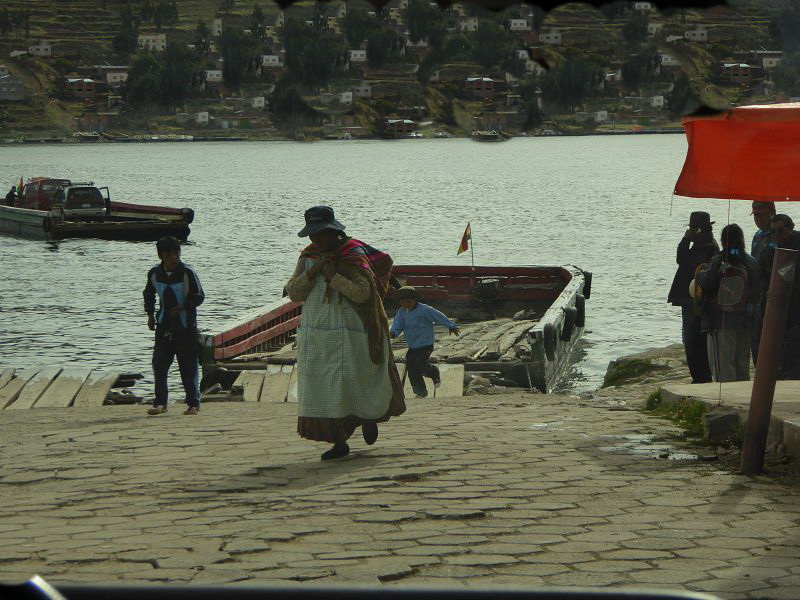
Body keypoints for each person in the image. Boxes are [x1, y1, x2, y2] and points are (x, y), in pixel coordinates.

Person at [285, 205, 405, 460]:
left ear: (333, 231)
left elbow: (364, 293)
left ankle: (367, 417)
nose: (316, 240)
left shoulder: (352, 255)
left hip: (354, 333)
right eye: (312, 235)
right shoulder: (308, 258)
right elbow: (295, 293)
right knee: (326, 388)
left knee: (355, 381)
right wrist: (313, 272)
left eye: (320, 234)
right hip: (318, 335)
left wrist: (333, 277)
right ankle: (339, 441)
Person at [143, 236, 205, 416]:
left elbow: (199, 296)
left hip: (186, 327)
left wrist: (184, 307)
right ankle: (160, 403)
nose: (174, 257)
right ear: (161, 255)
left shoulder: (187, 273)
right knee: (159, 364)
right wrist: (150, 315)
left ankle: (193, 403)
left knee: (188, 365)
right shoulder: (155, 274)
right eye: (169, 253)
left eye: (176, 252)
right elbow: (148, 294)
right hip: (163, 326)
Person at [696, 224, 760, 383]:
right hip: (745, 322)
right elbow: (757, 291)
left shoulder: (719, 259)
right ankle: (743, 400)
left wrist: (701, 274)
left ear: (723, 240)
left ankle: (726, 401)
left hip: (720, 321)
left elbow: (707, 283)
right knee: (741, 366)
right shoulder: (750, 261)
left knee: (723, 369)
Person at [668, 211, 719, 383]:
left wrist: (687, 239)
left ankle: (702, 377)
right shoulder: (697, 246)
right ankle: (698, 376)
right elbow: (680, 259)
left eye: (692, 228)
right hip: (690, 300)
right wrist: (686, 239)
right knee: (691, 341)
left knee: (696, 341)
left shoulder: (710, 248)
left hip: (699, 302)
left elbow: (684, 261)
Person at [390, 286, 461, 398]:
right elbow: (397, 325)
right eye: (403, 302)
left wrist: (451, 325)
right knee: (412, 369)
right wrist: (393, 333)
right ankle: (420, 391)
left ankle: (433, 372)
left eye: (408, 301)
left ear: (415, 300)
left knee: (420, 365)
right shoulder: (401, 313)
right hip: (413, 346)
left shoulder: (424, 310)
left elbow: (438, 316)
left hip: (426, 345)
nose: (406, 304)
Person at [759, 214, 800, 379]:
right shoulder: (771, 249)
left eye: (781, 231)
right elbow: (762, 270)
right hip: (781, 311)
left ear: (791, 229)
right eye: (773, 232)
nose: (777, 235)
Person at [749, 201, 776, 365]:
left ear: (772, 213)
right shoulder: (758, 236)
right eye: (756, 215)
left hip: (770, 293)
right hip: (757, 294)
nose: (758, 219)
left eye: (762, 215)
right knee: (756, 339)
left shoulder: (778, 235)